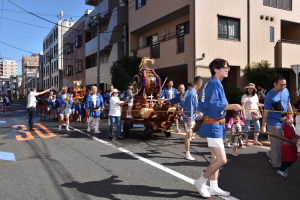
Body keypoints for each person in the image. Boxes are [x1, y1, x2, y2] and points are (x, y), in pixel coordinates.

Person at [195, 58, 242, 198]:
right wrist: (232, 106)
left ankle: (213, 187)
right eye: (225, 68)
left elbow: (205, 105)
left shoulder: (215, 83)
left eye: (228, 67)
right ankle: (201, 181)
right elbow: (214, 105)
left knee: (215, 158)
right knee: (222, 160)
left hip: (216, 124)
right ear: (215, 69)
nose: (227, 70)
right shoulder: (214, 84)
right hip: (214, 124)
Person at [260, 76, 293, 169]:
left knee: (285, 143)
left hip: (285, 121)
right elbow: (266, 112)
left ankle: (270, 153)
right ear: (275, 84)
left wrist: (291, 116)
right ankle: (276, 164)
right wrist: (263, 126)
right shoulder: (270, 96)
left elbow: (288, 103)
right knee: (277, 144)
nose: (283, 87)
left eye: (285, 85)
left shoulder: (286, 91)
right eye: (281, 85)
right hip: (273, 122)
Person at [179, 77, 203, 161]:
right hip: (189, 116)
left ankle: (192, 132)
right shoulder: (192, 93)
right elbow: (190, 107)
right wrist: (190, 120)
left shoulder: (189, 90)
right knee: (188, 136)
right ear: (200, 84)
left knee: (189, 134)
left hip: (189, 114)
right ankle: (188, 154)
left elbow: (184, 103)